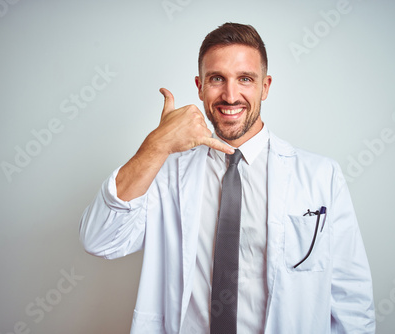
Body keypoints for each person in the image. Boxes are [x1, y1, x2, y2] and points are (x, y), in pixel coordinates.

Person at [79, 22, 375, 333]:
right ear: (200, 86)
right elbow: (99, 239)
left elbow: (350, 298)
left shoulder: (320, 175)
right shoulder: (165, 173)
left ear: (265, 86)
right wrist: (157, 145)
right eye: (217, 79)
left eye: (245, 79)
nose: (230, 96)